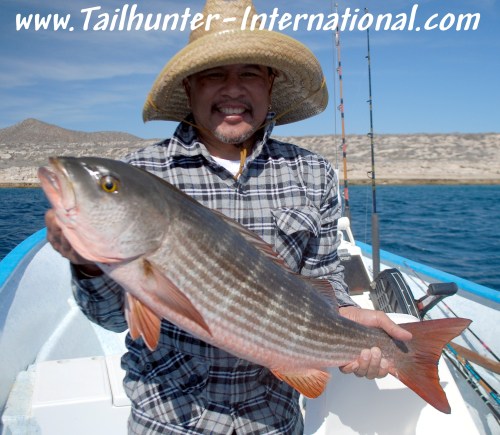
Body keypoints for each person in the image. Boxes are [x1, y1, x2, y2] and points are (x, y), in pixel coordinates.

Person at [46, 0, 411, 433]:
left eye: (250, 73)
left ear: (271, 84)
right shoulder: (143, 171)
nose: (233, 90)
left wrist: (348, 320)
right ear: (189, 87)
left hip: (273, 420)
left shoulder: (313, 173)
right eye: (214, 74)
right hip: (169, 420)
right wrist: (88, 264)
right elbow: (110, 319)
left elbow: (324, 281)